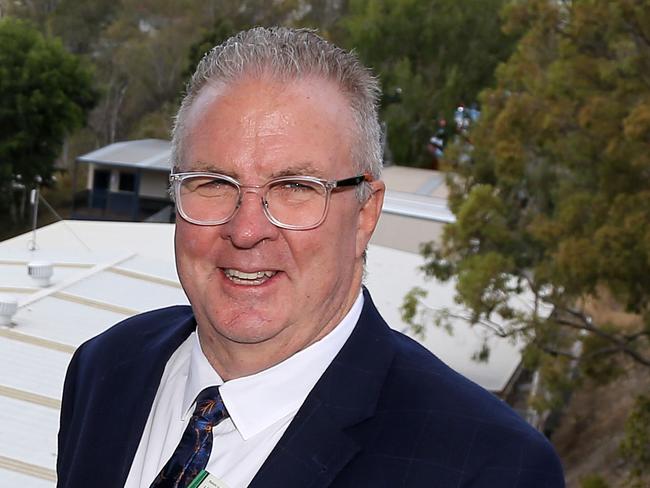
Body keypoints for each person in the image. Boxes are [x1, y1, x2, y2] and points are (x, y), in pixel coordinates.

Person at [56, 27, 565, 488]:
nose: (247, 229)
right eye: (212, 182)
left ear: (366, 214)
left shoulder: (490, 468)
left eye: (295, 187)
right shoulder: (105, 369)